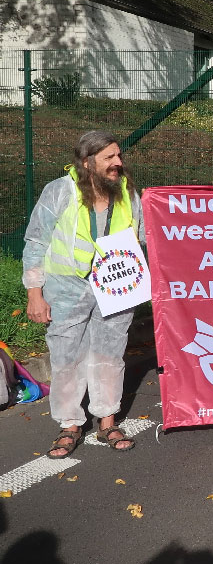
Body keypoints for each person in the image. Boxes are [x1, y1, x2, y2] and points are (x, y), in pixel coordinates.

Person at [23, 131, 143, 456]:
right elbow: (36, 242)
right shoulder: (58, 191)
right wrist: (35, 293)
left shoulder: (128, 193)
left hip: (116, 285)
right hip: (66, 287)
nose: (118, 163)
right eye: (109, 158)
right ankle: (69, 425)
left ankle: (107, 421)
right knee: (66, 357)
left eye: (119, 156)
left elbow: (143, 236)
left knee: (110, 353)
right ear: (88, 162)